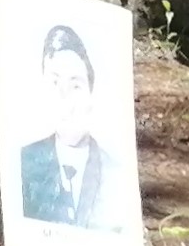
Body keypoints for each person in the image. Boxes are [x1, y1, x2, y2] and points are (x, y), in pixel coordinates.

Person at [15, 26, 124, 229]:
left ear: (92, 94)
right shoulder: (24, 163)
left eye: (76, 86)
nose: (65, 100)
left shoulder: (116, 174)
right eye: (55, 84)